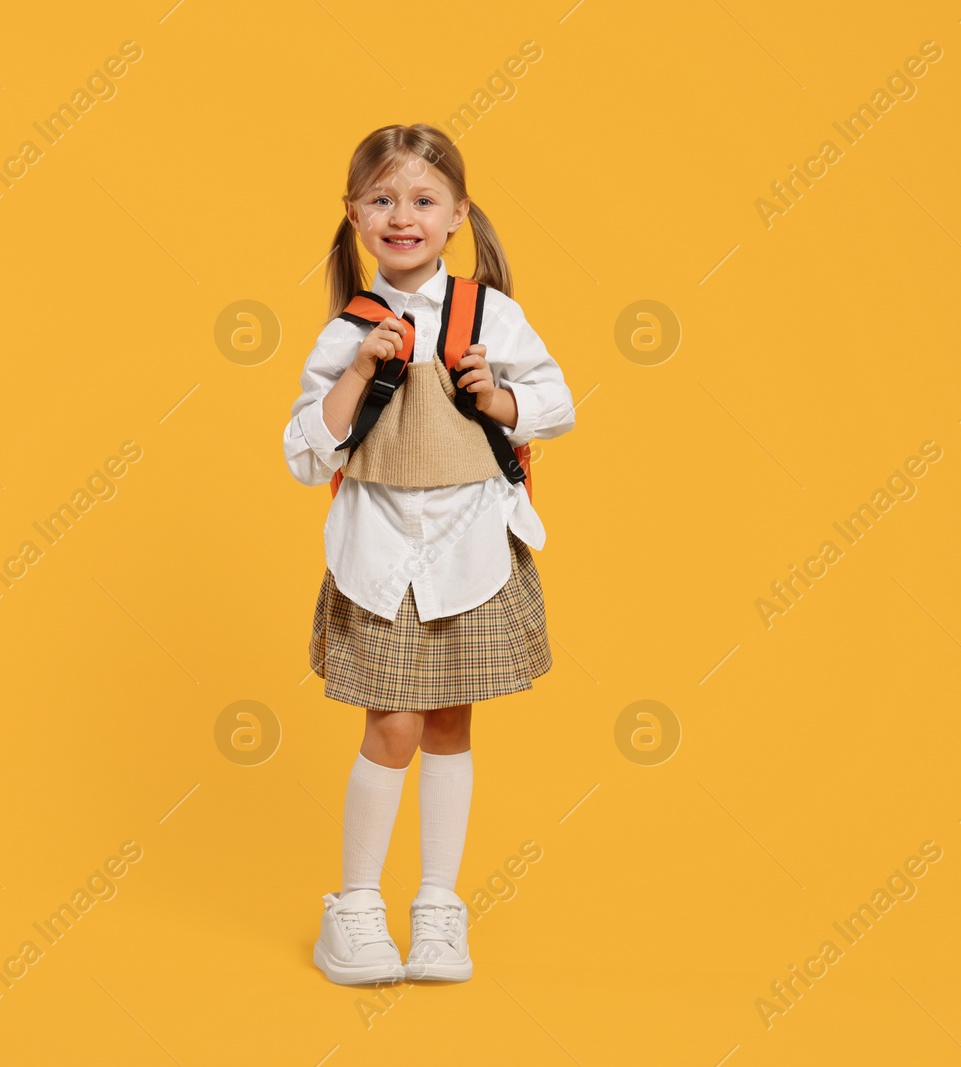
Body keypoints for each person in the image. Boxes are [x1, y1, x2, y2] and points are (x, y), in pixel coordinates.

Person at [282, 124, 576, 985]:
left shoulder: (493, 315)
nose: (401, 216)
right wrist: (353, 373)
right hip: (379, 560)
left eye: (421, 200)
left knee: (449, 722)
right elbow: (306, 453)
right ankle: (356, 908)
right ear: (354, 216)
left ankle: (439, 909)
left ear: (457, 215)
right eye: (382, 200)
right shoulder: (351, 327)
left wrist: (499, 393)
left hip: (470, 551)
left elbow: (556, 405)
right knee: (393, 726)